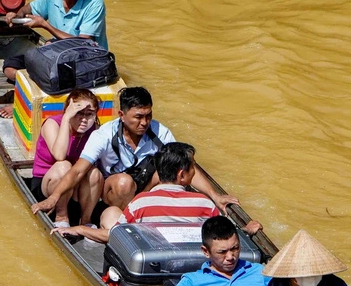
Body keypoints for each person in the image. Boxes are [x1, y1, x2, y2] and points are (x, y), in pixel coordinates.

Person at [31, 87, 235, 226]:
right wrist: (54, 197)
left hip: (144, 188)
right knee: (123, 182)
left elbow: (185, 166)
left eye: (148, 116)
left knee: (168, 171)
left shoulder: (160, 132)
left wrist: (215, 196)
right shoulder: (103, 135)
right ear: (121, 115)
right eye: (138, 117)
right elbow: (77, 172)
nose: (144, 123)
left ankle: (144, 214)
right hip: (113, 191)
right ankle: (114, 221)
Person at [53, 143, 262, 241]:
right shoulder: (204, 204)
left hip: (155, 263)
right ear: (182, 175)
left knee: (110, 216)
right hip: (190, 263)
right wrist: (247, 230)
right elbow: (226, 236)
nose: (194, 172)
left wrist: (80, 229)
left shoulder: (140, 203)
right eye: (193, 168)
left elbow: (113, 236)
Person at [0, 0, 108, 117]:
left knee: (51, 76)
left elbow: (83, 43)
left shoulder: (95, 3)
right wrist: (16, 14)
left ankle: (24, 103)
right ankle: (28, 89)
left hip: (87, 59)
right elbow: (28, 9)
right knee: (9, 68)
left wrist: (45, 25)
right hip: (59, 53)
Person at [28, 88, 104, 227]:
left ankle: (85, 221)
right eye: (79, 113)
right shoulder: (52, 124)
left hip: (75, 185)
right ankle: (61, 217)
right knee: (64, 166)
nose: (84, 120)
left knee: (94, 173)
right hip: (48, 183)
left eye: (89, 114)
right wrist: (66, 119)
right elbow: (59, 155)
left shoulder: (95, 130)